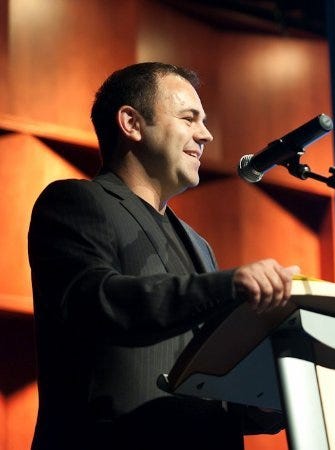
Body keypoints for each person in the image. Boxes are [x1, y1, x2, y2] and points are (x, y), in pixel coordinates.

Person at [28, 62, 300, 450]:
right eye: (189, 118)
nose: (205, 134)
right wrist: (229, 285)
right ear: (131, 123)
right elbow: (100, 302)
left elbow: (209, 388)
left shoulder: (198, 244)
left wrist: (271, 395)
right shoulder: (77, 201)